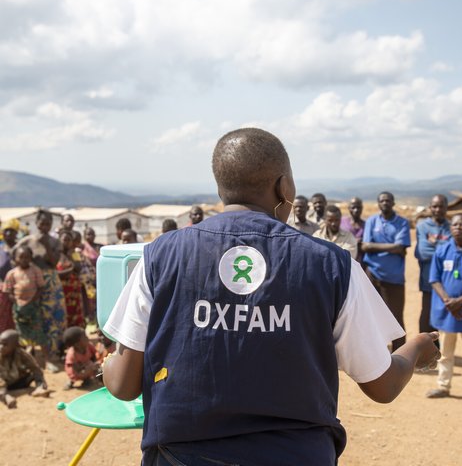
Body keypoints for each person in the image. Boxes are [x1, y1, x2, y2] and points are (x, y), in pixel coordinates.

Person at [102, 128, 439, 466]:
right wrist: (418, 347)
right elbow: (382, 386)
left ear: (221, 189)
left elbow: (123, 385)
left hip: (180, 457)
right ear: (284, 187)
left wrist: (107, 365)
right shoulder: (333, 264)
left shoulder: (158, 256)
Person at [426, 214, 462, 413]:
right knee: (445, 353)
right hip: (448, 312)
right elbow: (434, 279)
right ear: (451, 228)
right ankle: (443, 386)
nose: (459, 227)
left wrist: (460, 302)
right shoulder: (442, 251)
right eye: (455, 224)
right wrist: (450, 302)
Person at [15, 210, 66, 372]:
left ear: (52, 224)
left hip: (51, 283)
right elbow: (14, 254)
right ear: (36, 223)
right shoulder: (27, 241)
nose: (45, 226)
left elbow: (54, 262)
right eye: (42, 223)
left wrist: (45, 245)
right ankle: (35, 353)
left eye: (48, 223)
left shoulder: (55, 242)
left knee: (55, 316)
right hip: (33, 283)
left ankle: (53, 353)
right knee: (37, 317)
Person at [362, 192, 411, 351]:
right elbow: (365, 246)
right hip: (372, 274)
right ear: (378, 203)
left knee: (396, 317)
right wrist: (393, 248)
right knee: (372, 316)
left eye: (388, 200)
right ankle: (376, 353)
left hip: (393, 277)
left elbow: (400, 247)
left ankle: (400, 353)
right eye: (382, 200)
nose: (385, 203)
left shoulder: (402, 223)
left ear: (393, 203)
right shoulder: (371, 221)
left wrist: (374, 247)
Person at [414, 195, 450, 338]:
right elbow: (423, 252)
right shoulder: (422, 226)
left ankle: (442, 352)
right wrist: (444, 248)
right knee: (427, 316)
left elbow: (453, 252)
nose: (438, 209)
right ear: (430, 207)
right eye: (434, 206)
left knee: (445, 317)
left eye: (441, 206)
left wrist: (434, 246)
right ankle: (425, 350)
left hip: (448, 282)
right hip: (428, 280)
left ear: (446, 208)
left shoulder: (451, 226)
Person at [2, 246, 48, 353]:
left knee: (38, 330)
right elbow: (8, 291)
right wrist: (18, 303)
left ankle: (46, 358)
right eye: (21, 257)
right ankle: (23, 357)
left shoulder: (36, 270)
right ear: (15, 258)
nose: (24, 260)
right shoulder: (11, 274)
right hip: (18, 307)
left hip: (33, 306)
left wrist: (32, 301)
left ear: (31, 258)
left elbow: (41, 287)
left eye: (27, 257)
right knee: (21, 332)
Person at [0, 329, 49, 408]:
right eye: (0, 344)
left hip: (16, 382)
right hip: (2, 384)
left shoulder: (21, 353)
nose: (1, 347)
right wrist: (3, 393)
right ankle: (5, 397)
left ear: (15, 345)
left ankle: (40, 389)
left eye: (5, 344)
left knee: (34, 373)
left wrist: (40, 384)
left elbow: (35, 368)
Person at [56, 231, 85, 328]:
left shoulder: (74, 254)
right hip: (61, 291)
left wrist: (70, 256)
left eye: (69, 240)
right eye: (64, 240)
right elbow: (56, 275)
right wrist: (70, 270)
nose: (67, 242)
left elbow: (78, 269)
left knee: (75, 313)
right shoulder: (55, 255)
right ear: (60, 241)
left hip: (74, 290)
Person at [0, 220, 19, 333]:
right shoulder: (0, 250)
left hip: (21, 291)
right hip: (4, 291)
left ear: (16, 233)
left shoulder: (21, 248)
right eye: (6, 231)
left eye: (12, 231)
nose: (9, 234)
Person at [341, 197, 366, 265]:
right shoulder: (341, 222)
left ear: (362, 208)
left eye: (358, 207)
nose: (356, 210)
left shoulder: (366, 225)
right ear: (349, 208)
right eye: (353, 207)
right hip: (344, 260)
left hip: (361, 262)